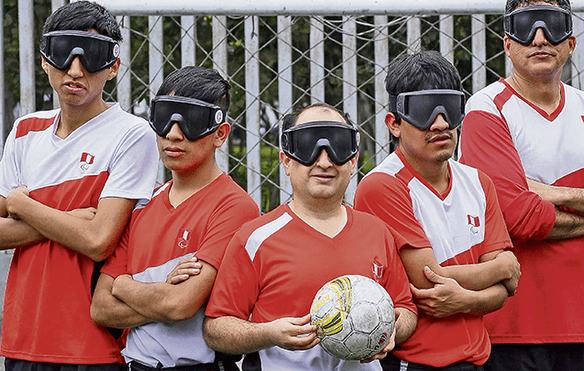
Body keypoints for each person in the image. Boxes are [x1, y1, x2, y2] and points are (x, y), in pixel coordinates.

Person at [457, 1, 584, 370]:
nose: (539, 37)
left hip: (582, 331)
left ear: (571, 43)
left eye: (552, 25)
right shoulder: (486, 109)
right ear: (507, 44)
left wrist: (551, 193)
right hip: (506, 332)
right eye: (525, 25)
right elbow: (519, 216)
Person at [0, 1, 159, 370]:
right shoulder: (25, 130)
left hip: (92, 345)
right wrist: (68, 219)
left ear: (113, 66)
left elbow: (98, 239)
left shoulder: (132, 134)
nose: (75, 69)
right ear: (44, 60)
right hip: (24, 338)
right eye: (62, 54)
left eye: (92, 56)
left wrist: (23, 207)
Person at [202, 103, 418, 371]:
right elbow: (215, 328)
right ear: (287, 162)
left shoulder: (377, 231)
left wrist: (391, 331)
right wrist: (269, 333)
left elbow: (406, 309)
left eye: (337, 147)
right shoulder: (254, 239)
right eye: (308, 146)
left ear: (352, 162)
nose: (324, 162)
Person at [353, 50, 520, 371]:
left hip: (477, 361)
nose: (441, 123)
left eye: (450, 109)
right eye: (424, 110)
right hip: (413, 363)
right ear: (394, 124)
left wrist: (468, 298)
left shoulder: (478, 182)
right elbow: (431, 283)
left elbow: (505, 292)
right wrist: (503, 268)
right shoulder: (382, 186)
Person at [89, 66, 260, 370]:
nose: (173, 134)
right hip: (135, 365)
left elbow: (180, 304)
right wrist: (165, 294)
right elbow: (102, 308)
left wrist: (125, 287)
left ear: (220, 133)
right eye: (165, 118)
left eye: (191, 121)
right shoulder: (142, 204)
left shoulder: (235, 206)